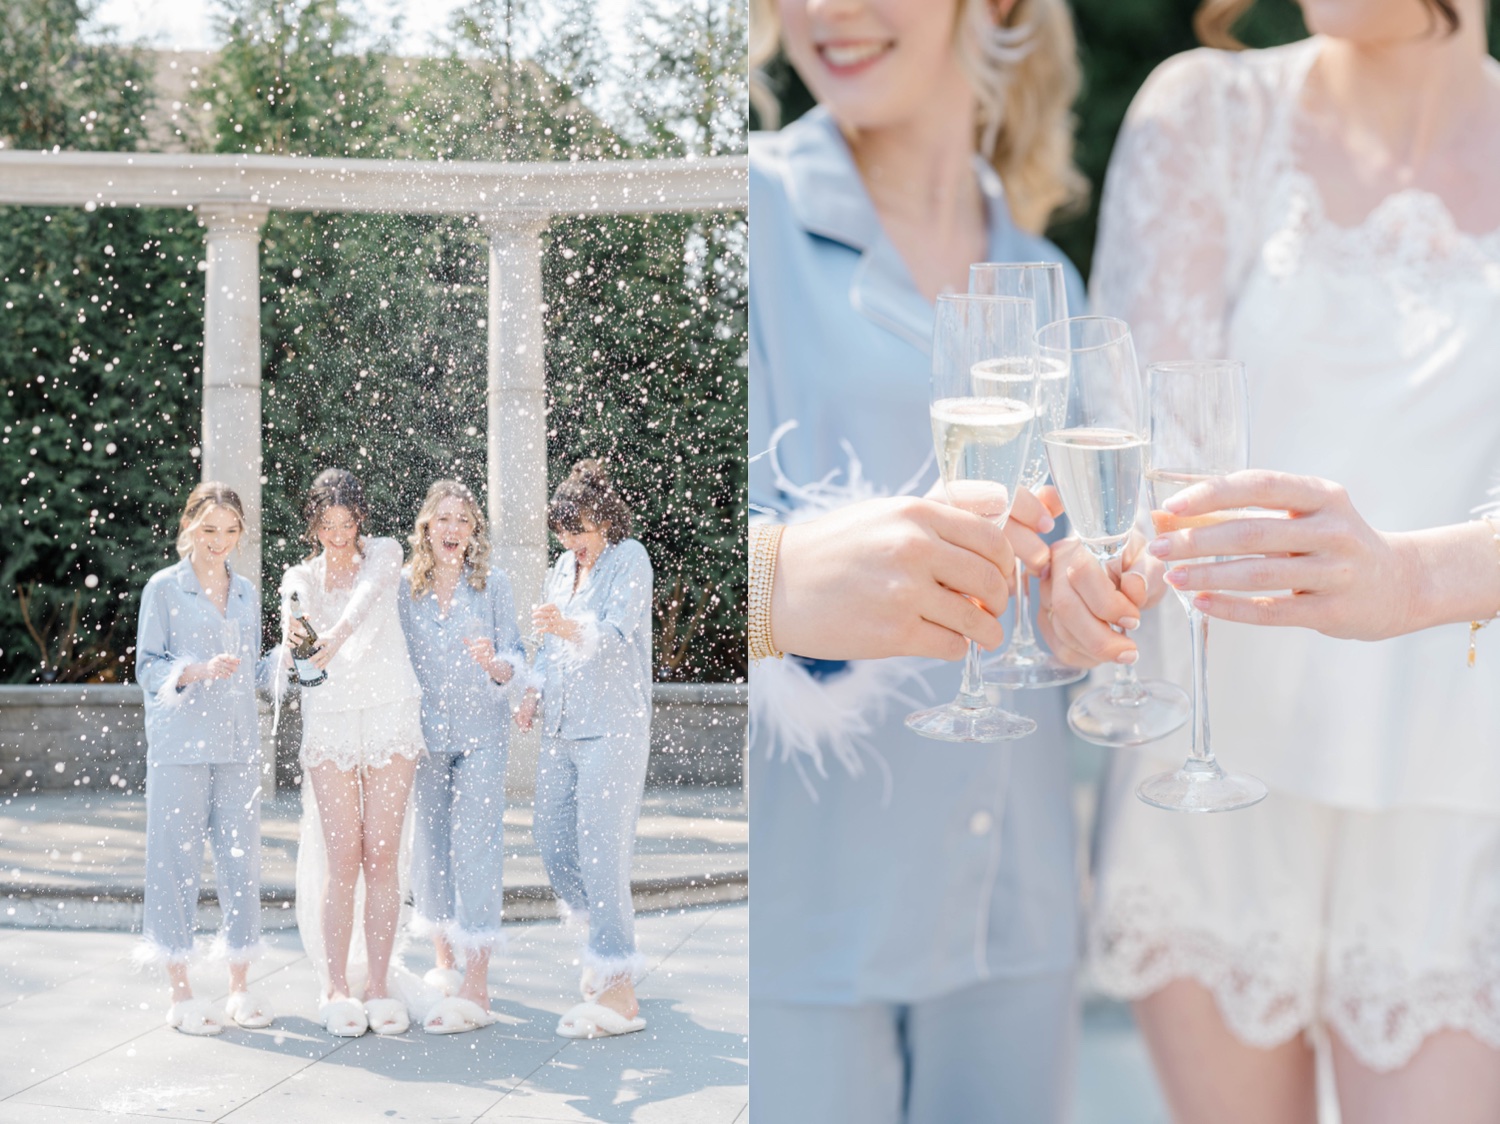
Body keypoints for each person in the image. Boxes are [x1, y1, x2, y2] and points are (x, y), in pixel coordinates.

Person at [1044, 1, 1500, 1119]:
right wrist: (1090, 575)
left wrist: (1419, 579)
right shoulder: (1206, 113)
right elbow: (1146, 458)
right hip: (1216, 777)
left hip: (1455, 785)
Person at [747, 0, 1090, 1118]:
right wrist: (778, 577)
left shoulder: (1052, 279)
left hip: (1017, 909)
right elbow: (640, 546)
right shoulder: (744, 210)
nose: (826, 12)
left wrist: (1090, 605)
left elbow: (1066, 571)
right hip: (807, 919)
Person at [281, 468, 425, 1037]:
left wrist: (329, 642)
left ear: (360, 518)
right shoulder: (301, 576)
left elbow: (366, 601)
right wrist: (297, 646)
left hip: (391, 710)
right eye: (327, 523)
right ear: (313, 523)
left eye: (347, 521)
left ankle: (380, 982)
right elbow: (296, 652)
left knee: (382, 852)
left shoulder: (386, 553)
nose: (339, 534)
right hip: (332, 722)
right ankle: (336, 983)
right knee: (343, 857)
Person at [515, 459, 654, 1040]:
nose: (575, 545)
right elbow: (546, 648)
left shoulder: (630, 559)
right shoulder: (560, 568)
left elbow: (615, 635)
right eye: (566, 535)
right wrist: (530, 690)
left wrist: (565, 623)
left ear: (605, 521)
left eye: (582, 532)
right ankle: (601, 939)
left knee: (602, 850)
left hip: (613, 727)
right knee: (550, 838)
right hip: (561, 729)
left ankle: (619, 982)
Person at [133, 482, 273, 1035]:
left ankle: (240, 987)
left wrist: (292, 659)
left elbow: (257, 669)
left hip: (238, 748)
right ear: (190, 526)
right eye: (209, 529)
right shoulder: (163, 589)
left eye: (231, 531)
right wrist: (194, 670)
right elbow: (148, 668)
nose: (220, 542)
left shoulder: (246, 593)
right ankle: (181, 992)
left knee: (242, 863)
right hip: (180, 749)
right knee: (174, 864)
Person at [397, 480, 528, 1035]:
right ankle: (444, 962)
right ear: (426, 528)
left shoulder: (492, 586)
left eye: (464, 521)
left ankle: (477, 979)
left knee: (477, 848)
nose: (453, 530)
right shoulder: (405, 590)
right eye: (443, 520)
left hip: (482, 736)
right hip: (425, 738)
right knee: (432, 846)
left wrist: (496, 664)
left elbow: (516, 659)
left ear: (474, 533)